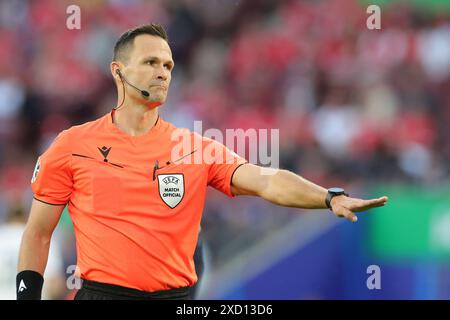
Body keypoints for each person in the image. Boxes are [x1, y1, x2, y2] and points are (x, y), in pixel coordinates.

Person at [16, 23, 388, 300]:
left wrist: (328, 197)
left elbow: (265, 180)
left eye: (168, 64)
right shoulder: (72, 146)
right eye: (150, 62)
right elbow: (38, 232)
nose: (163, 72)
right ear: (119, 71)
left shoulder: (195, 147)